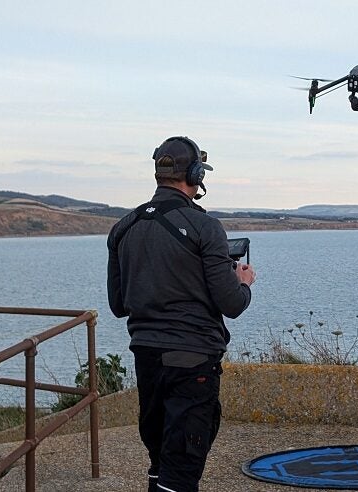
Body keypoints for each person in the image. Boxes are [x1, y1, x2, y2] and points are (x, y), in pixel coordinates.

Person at [107, 136, 255, 492]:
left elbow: (117, 304)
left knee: (161, 465)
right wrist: (244, 282)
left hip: (147, 359)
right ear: (195, 173)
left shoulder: (123, 228)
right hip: (192, 364)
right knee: (182, 472)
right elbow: (232, 304)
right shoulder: (206, 228)